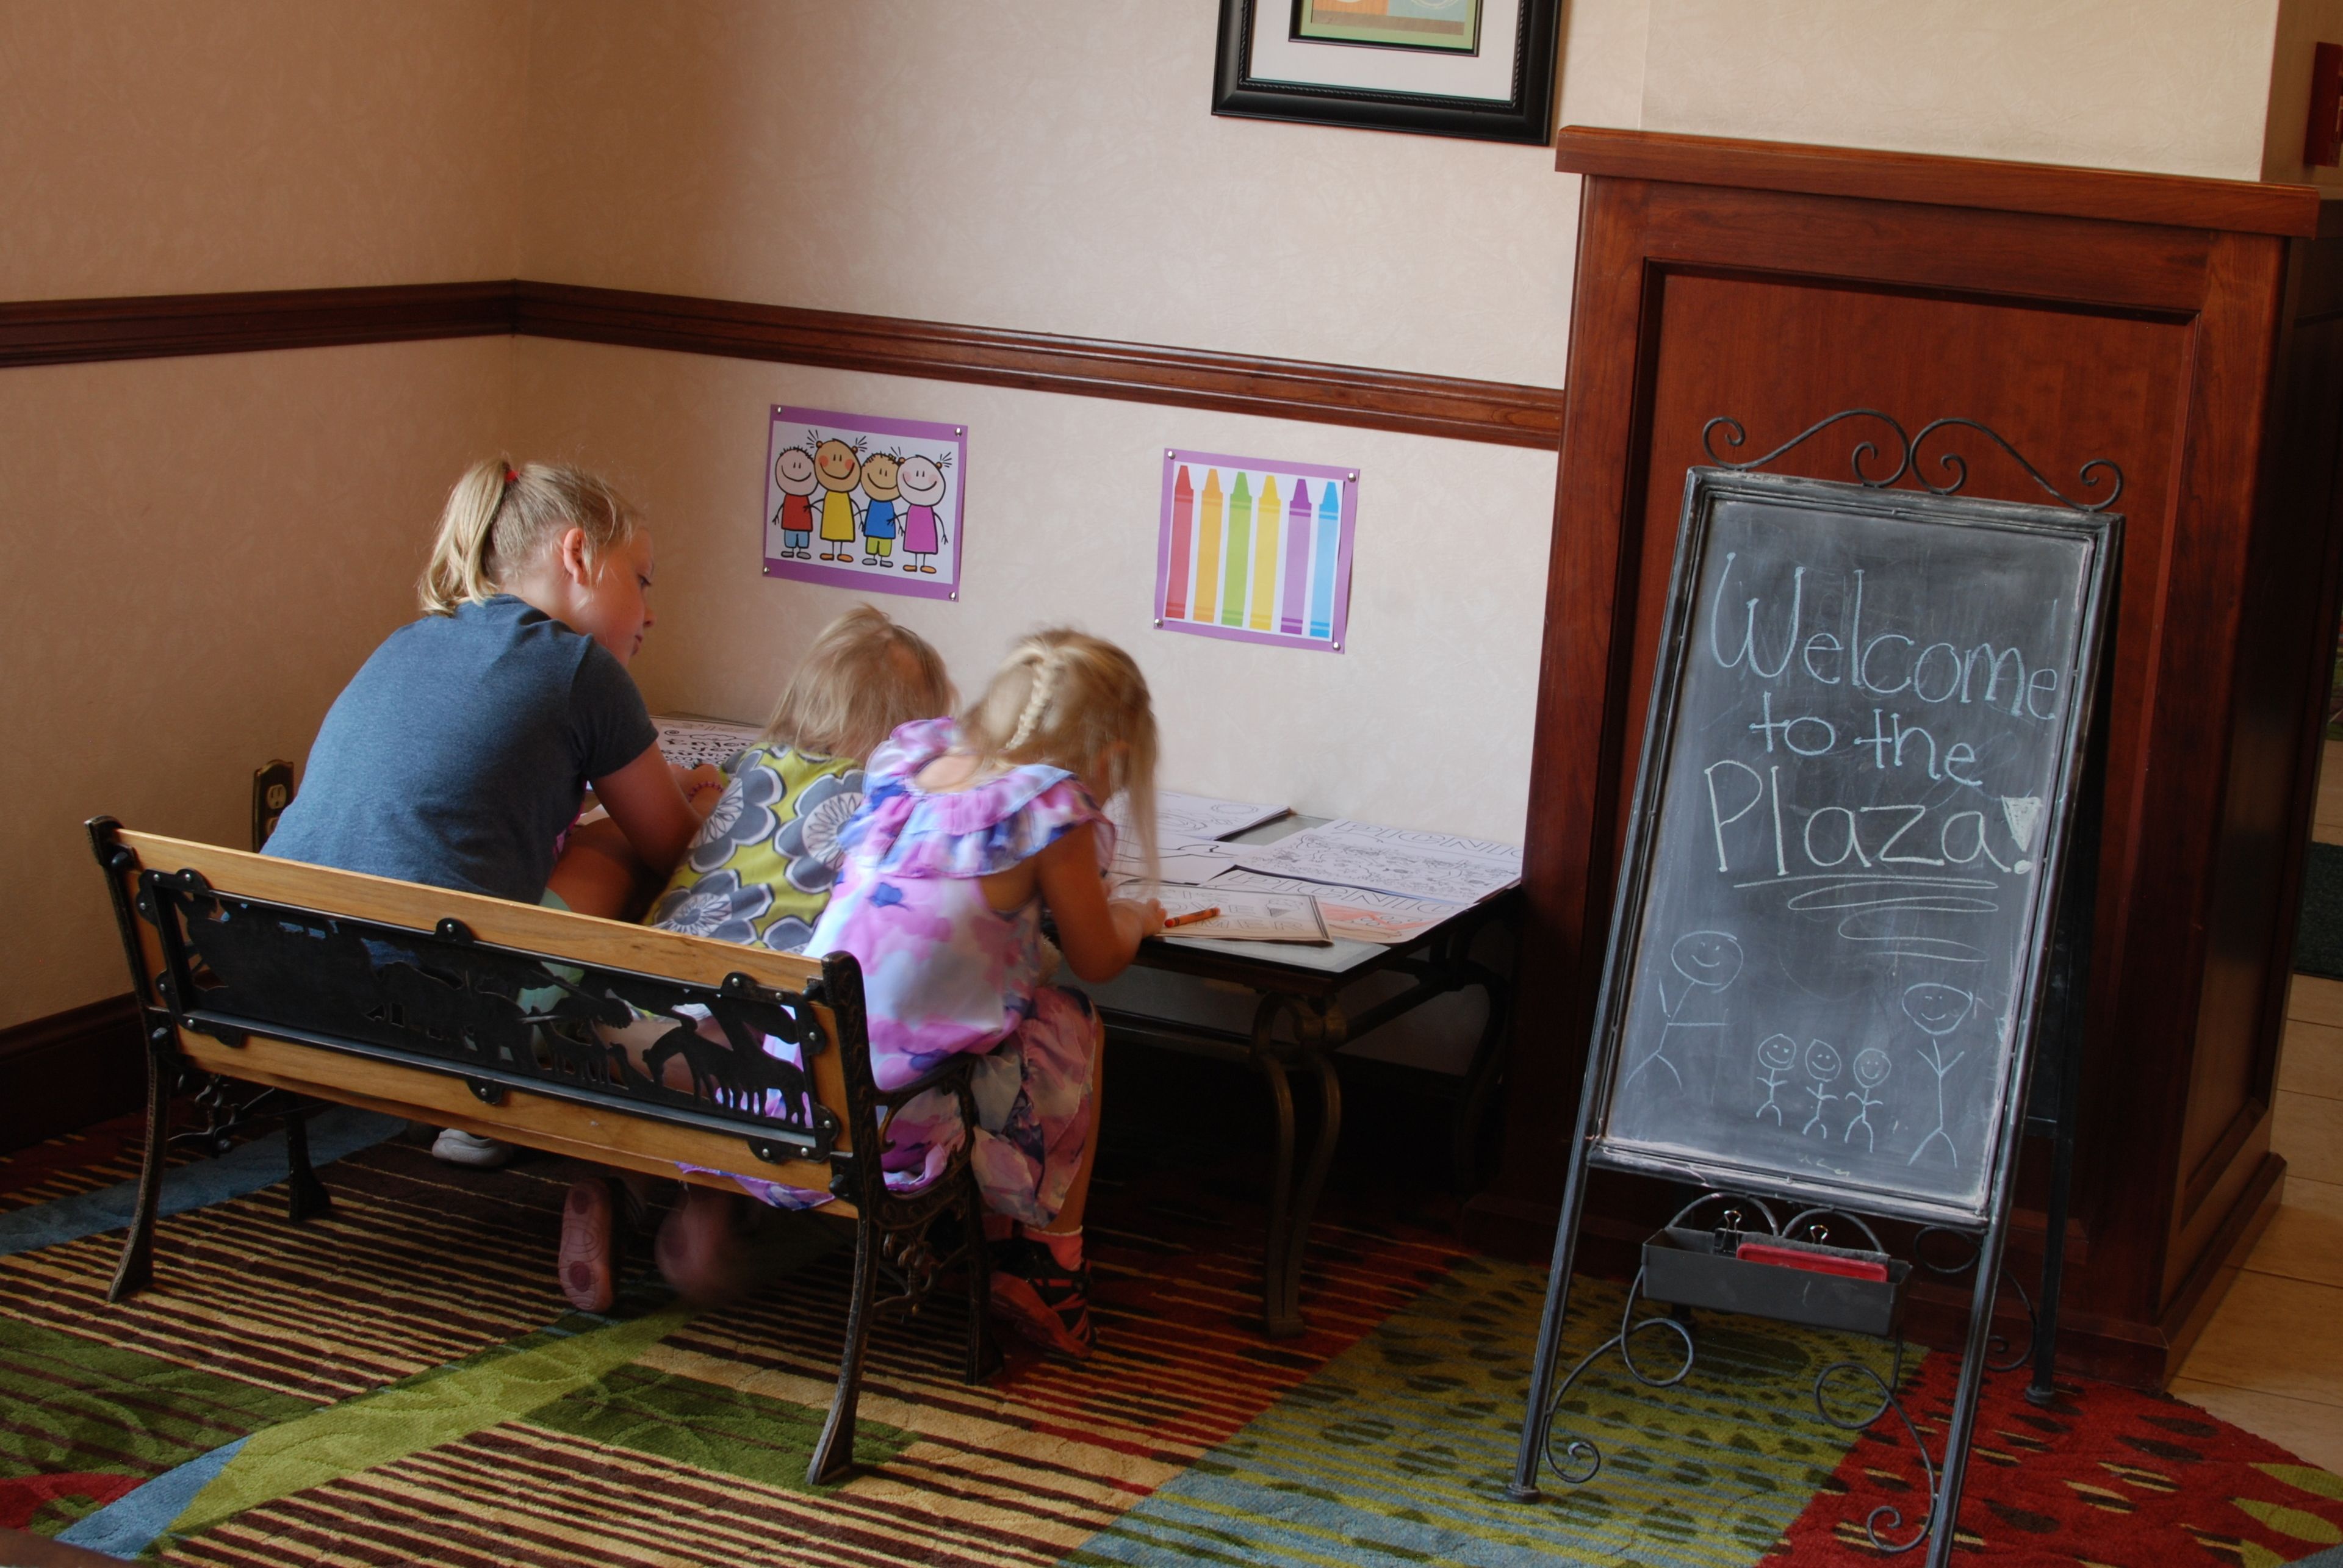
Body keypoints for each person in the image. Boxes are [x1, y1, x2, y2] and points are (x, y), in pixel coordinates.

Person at [264, 458, 721, 1167]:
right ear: (577, 554)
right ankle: (504, 1088)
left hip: (274, 968)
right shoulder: (581, 670)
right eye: (641, 578)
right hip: (424, 1002)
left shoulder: (412, 638)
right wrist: (710, 800)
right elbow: (675, 852)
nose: (652, 611)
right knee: (620, 854)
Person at [551, 606, 956, 1312]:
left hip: (625, 1014)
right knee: (782, 1070)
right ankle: (709, 1217)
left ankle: (615, 1174)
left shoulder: (749, 767)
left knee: (687, 1059)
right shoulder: (892, 806)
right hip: (729, 1043)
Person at [801, 628, 1165, 1358]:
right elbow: (1096, 958)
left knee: (1011, 1019)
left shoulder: (914, 763)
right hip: (890, 1114)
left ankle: (993, 1245)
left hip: (800, 1076)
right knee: (1071, 1024)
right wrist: (1135, 915)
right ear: (1112, 757)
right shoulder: (1049, 809)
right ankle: (1049, 1265)